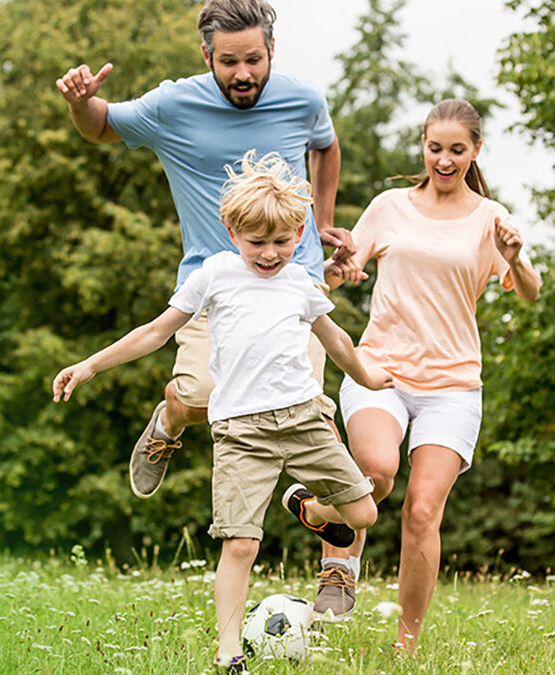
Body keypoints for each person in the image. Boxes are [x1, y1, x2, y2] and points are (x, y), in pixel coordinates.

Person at [51, 151, 390, 672]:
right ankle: (228, 650)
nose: (271, 254)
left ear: (300, 232)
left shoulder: (301, 283)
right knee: (239, 546)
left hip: (302, 422)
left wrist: (369, 377)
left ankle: (307, 507)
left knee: (363, 512)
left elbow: (337, 341)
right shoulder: (215, 275)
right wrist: (91, 365)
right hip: (241, 433)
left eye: (282, 242)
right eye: (258, 243)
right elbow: (155, 332)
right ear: (232, 231)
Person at [54, 0, 352, 500]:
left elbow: (325, 143)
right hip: (214, 286)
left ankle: (337, 567)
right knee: (201, 398)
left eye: (254, 60)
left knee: (312, 412)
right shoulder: (172, 106)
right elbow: (100, 126)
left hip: (294, 278)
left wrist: (321, 221)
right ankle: (170, 419)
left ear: (272, 49)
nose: (242, 73)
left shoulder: (302, 99)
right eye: (228, 61)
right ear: (206, 55)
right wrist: (80, 103)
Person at [318, 99, 541, 656]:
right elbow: (345, 271)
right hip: (381, 369)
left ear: (476, 151)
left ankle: (407, 648)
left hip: (454, 385)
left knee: (422, 509)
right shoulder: (390, 206)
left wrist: (513, 258)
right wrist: (335, 270)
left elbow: (532, 291)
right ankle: (338, 560)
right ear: (422, 145)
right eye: (434, 148)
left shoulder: (491, 219)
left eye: (456, 150)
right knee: (376, 469)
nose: (444, 160)